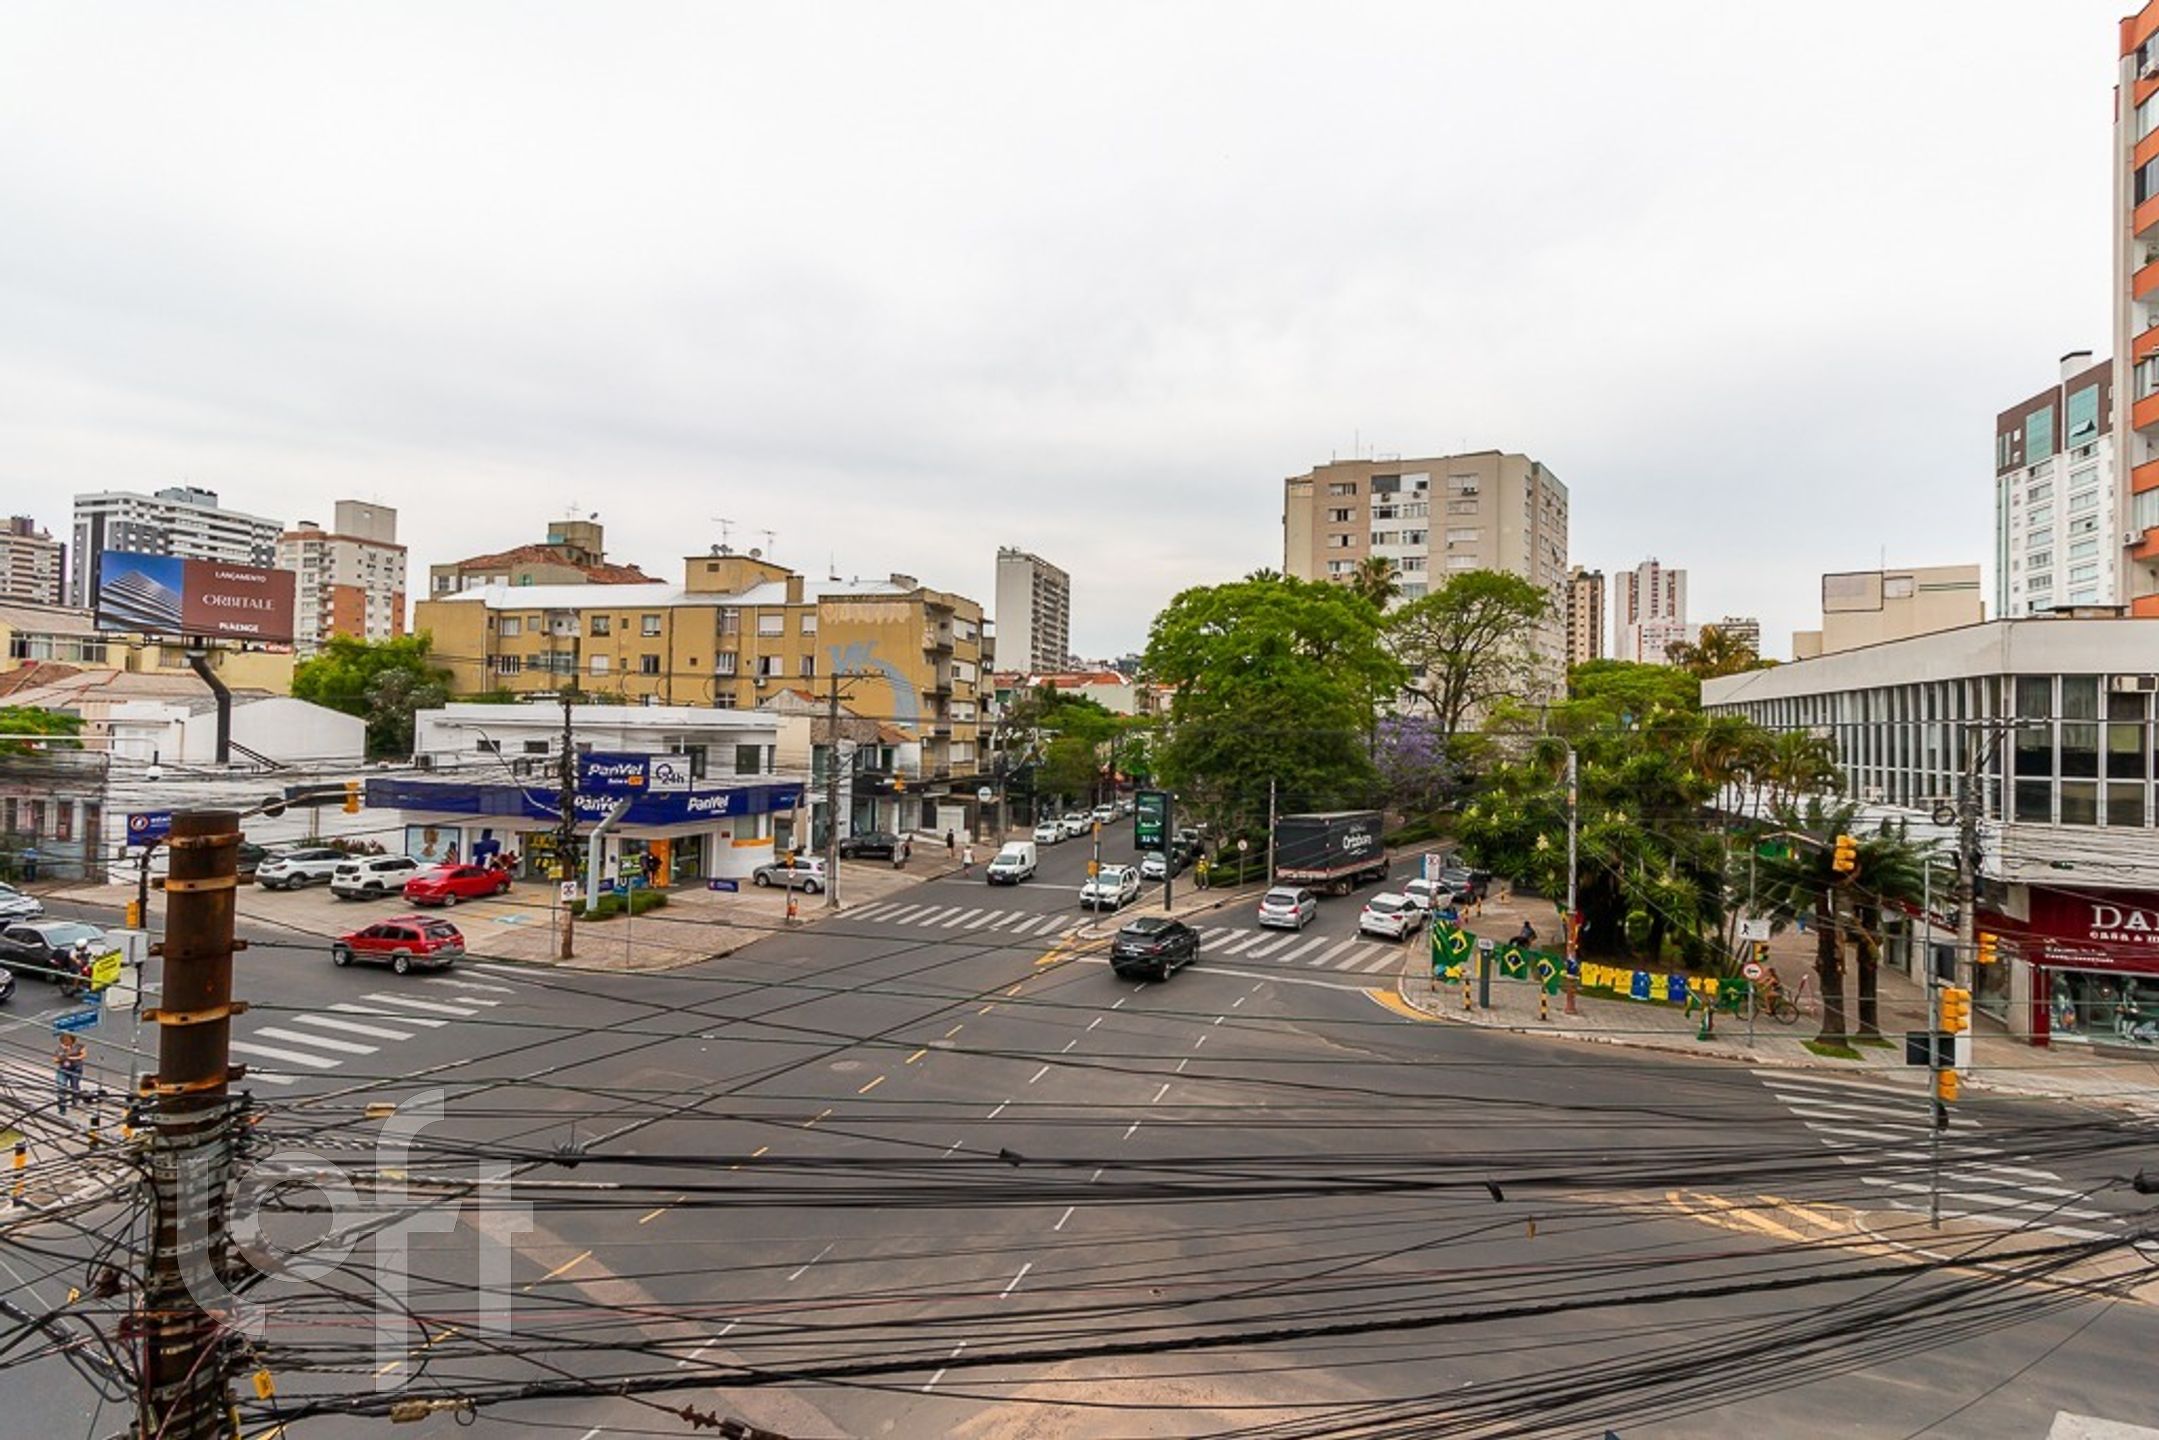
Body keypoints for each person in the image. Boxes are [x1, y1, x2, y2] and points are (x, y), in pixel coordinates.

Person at [54, 1033, 85, 1117]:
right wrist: (64, 1055)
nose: (65, 1042)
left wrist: (70, 1057)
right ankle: (62, 1108)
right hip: (63, 1070)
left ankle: (75, 1102)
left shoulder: (79, 1046)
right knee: (61, 1088)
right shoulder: (60, 1049)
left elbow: (83, 1055)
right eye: (64, 1041)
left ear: (72, 1040)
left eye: (67, 1040)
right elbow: (55, 1059)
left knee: (74, 1087)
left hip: (75, 1070)